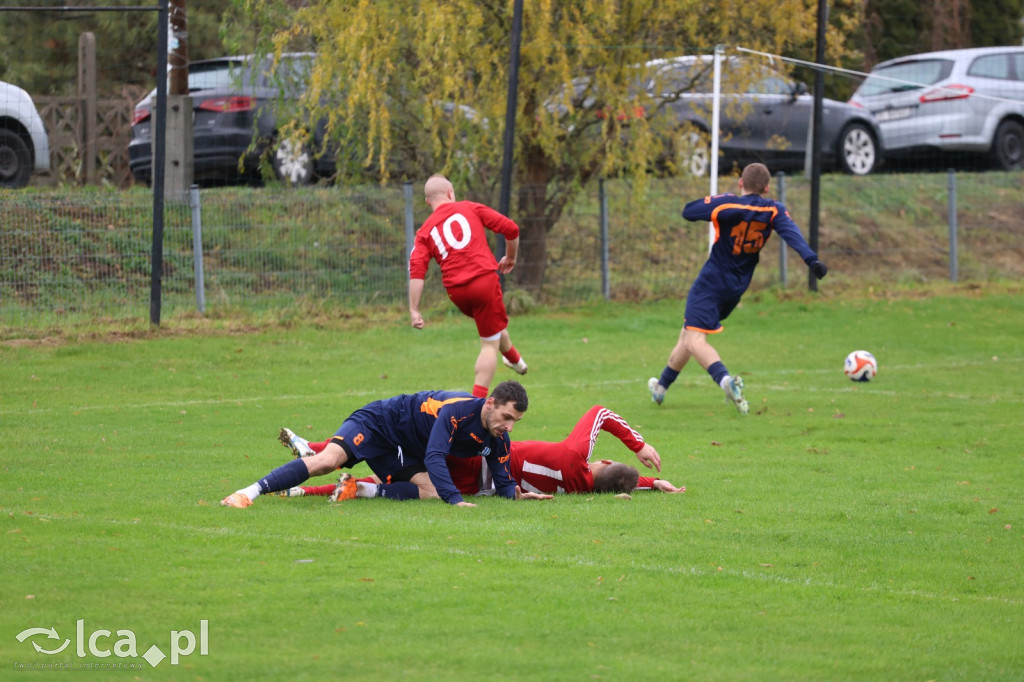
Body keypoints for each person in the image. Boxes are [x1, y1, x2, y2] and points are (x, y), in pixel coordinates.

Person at [647, 162, 828, 414]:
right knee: (688, 332)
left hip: (712, 281)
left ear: (741, 183)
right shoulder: (774, 211)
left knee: (694, 338)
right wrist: (813, 261)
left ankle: (726, 381)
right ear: (766, 187)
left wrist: (718, 201)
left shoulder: (729, 205)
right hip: (737, 287)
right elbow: (792, 235)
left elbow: (689, 212)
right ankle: (661, 387)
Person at [221, 381, 549, 508]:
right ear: (490, 403)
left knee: (429, 491)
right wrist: (456, 501)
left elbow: (503, 476)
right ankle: (248, 493)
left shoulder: (498, 436)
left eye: (514, 422)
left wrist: (516, 496)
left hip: (401, 448)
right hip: (380, 422)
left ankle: (362, 490)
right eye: (506, 417)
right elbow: (435, 455)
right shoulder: (456, 410)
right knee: (326, 461)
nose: (508, 427)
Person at [279, 405, 685, 499]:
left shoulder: (574, 455)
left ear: (605, 460)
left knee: (409, 452)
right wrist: (649, 484)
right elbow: (615, 482)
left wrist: (640, 445)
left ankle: (314, 452)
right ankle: (302, 489)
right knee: (404, 481)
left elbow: (601, 413)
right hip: (481, 485)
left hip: (478, 457)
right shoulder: (580, 488)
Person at [408, 174, 528, 399]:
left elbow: (416, 270)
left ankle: (515, 360)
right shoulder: (469, 208)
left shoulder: (424, 232)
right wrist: (510, 258)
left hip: (457, 293)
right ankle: (476, 407)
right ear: (451, 193)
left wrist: (414, 309)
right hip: (483, 281)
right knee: (488, 346)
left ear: (428, 202)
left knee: (491, 326)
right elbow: (511, 229)